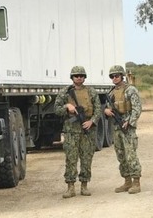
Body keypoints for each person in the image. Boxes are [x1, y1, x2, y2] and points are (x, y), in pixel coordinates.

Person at [54, 65, 102, 198]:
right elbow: (56, 109)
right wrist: (66, 106)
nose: (79, 78)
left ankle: (84, 185)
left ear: (84, 78)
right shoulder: (65, 92)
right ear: (72, 78)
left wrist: (92, 121)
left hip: (87, 130)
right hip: (71, 131)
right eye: (76, 76)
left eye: (81, 76)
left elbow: (98, 109)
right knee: (71, 159)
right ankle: (70, 187)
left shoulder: (91, 92)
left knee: (86, 158)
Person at [104, 65, 143, 194]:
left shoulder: (130, 90)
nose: (114, 78)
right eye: (112, 76)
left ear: (122, 76)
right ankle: (127, 181)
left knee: (131, 154)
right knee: (121, 155)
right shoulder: (111, 93)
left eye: (117, 75)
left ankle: (136, 182)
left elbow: (137, 108)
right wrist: (107, 111)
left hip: (127, 128)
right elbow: (107, 108)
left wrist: (129, 122)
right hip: (116, 127)